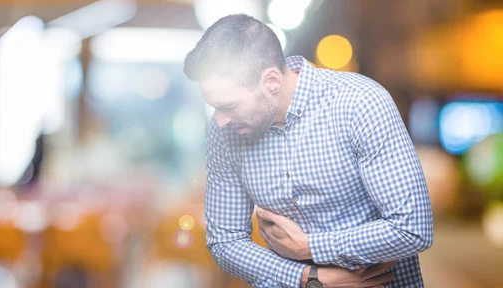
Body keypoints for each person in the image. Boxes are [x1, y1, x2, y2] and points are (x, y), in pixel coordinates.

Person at [183, 14, 433, 288]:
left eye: (228, 106)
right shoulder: (225, 132)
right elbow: (225, 241)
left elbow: (412, 228)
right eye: (214, 106)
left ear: (271, 81)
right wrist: (310, 278)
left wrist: (309, 247)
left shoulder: (360, 104)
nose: (219, 120)